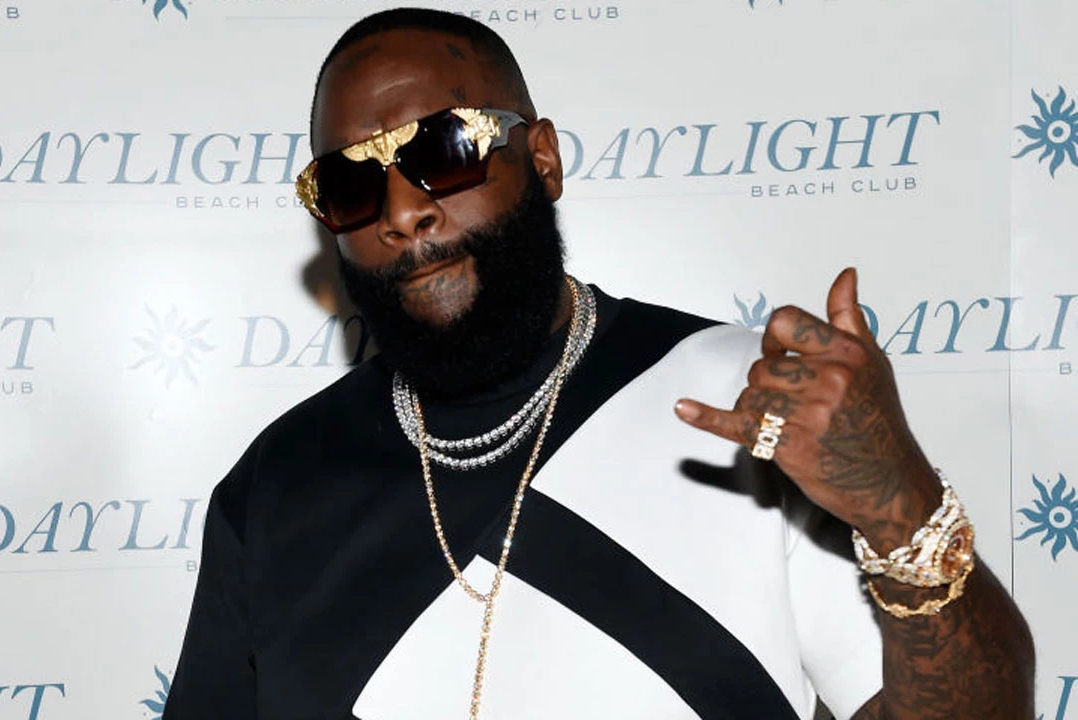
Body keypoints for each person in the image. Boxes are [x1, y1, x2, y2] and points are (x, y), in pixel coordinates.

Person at [162, 8, 1035, 720]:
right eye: (351, 185)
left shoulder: (747, 400)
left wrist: (899, 506)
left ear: (541, 157)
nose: (402, 212)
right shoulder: (276, 484)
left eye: (443, 152)